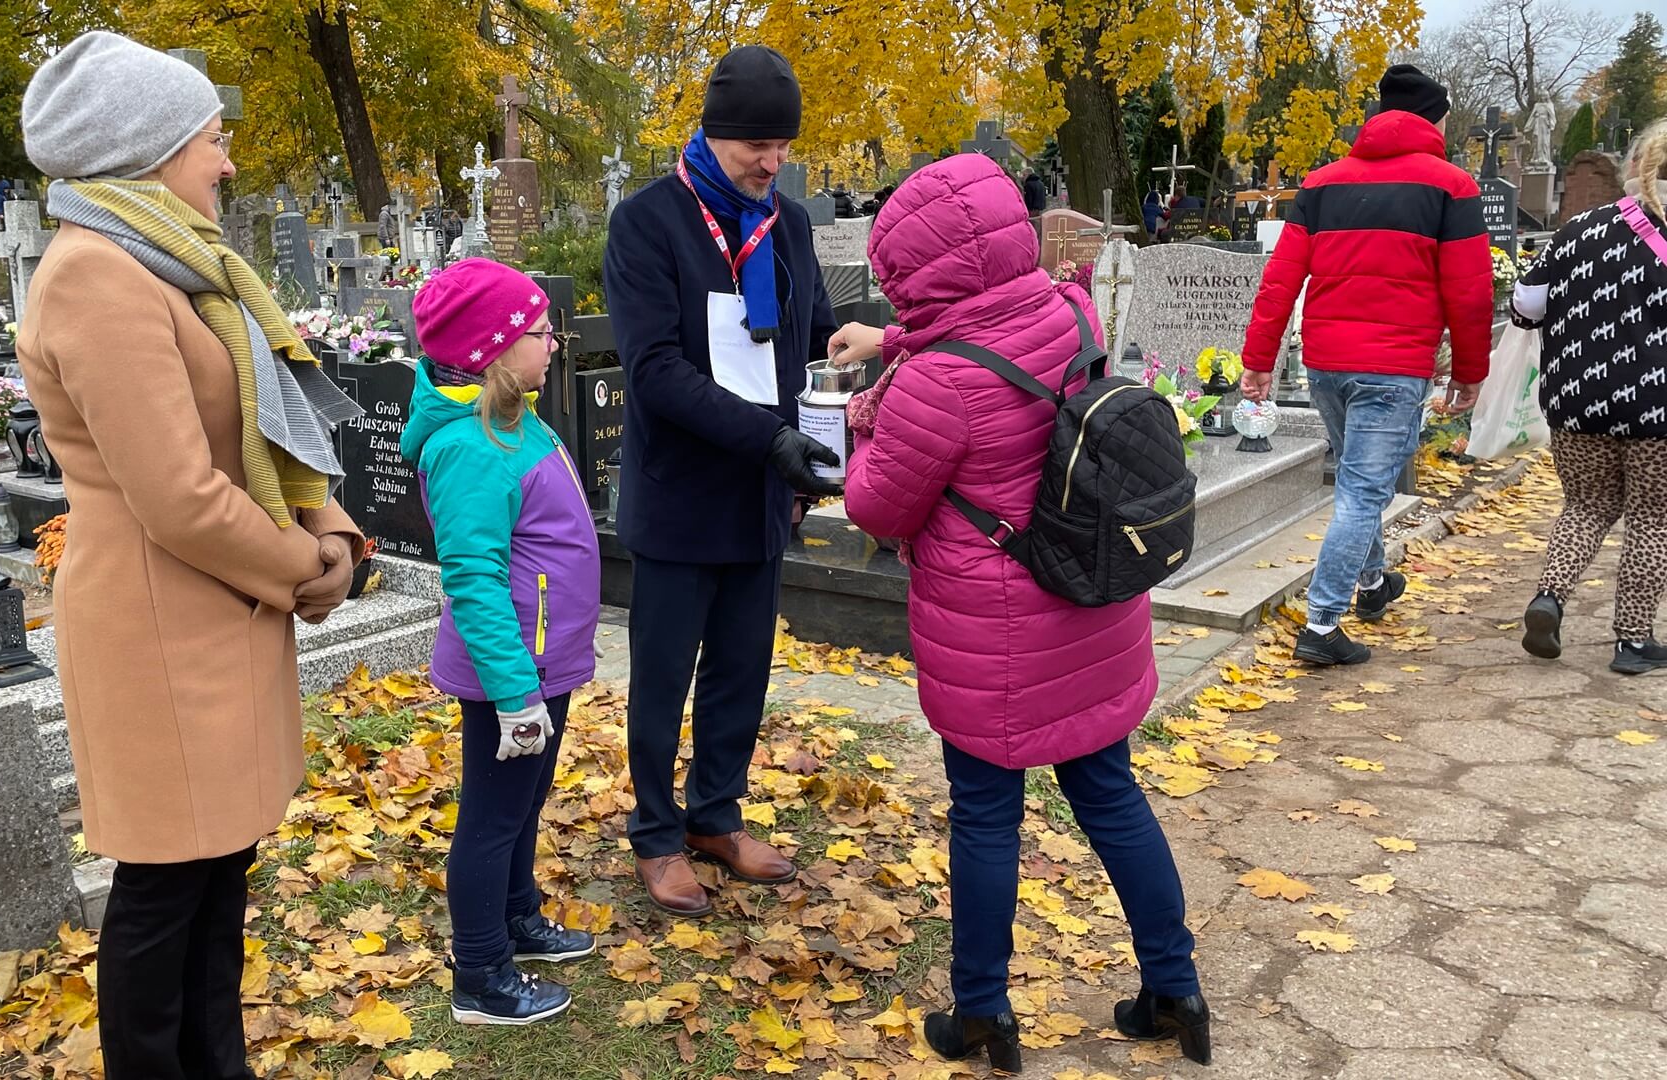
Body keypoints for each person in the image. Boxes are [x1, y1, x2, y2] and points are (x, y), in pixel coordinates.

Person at [16, 31, 367, 1077]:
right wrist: (303, 569)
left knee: (219, 873)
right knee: (166, 886)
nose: (226, 160)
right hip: (162, 624)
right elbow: (174, 495)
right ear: (152, 146)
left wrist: (333, 529)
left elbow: (261, 434)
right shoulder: (97, 277)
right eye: (212, 139)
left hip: (216, 610)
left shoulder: (173, 263)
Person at [839, 153, 1209, 1070]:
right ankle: (1176, 989)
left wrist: (859, 431)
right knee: (1113, 795)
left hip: (995, 636)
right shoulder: (1071, 308)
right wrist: (888, 344)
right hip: (1090, 605)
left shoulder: (932, 386)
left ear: (920, 273)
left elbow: (879, 509)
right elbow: (985, 334)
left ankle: (982, 1015)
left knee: (985, 816)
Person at [602, 44, 844, 918]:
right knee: (664, 676)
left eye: (783, 147)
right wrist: (770, 439)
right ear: (714, 133)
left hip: (760, 496)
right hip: (681, 492)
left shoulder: (793, 222)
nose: (771, 164)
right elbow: (656, 370)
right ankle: (658, 834)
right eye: (757, 147)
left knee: (742, 668)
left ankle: (716, 814)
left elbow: (810, 333)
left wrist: (846, 377)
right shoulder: (648, 222)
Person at [403, 258, 603, 1024]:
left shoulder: (513, 414)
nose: (555, 342)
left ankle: (518, 919)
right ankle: (481, 975)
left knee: (524, 806)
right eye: (540, 330)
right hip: (508, 675)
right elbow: (475, 579)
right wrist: (516, 694)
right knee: (491, 822)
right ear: (493, 349)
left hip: (540, 663)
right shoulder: (471, 446)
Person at [1241, 63, 1492, 665]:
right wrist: (1470, 372)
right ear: (1434, 119)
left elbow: (1280, 279)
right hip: (1395, 367)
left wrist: (1260, 360)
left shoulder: (1323, 183)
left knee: (1360, 481)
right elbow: (1471, 290)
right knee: (1361, 490)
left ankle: (1373, 585)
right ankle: (1323, 624)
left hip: (1327, 363)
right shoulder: (1451, 187)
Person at [1515, 120, 1667, 673]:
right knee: (1653, 519)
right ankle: (1632, 641)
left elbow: (1526, 304)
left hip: (1577, 400)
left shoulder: (1580, 228)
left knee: (1585, 505)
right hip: (1657, 409)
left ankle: (1549, 598)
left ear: (1634, 166)